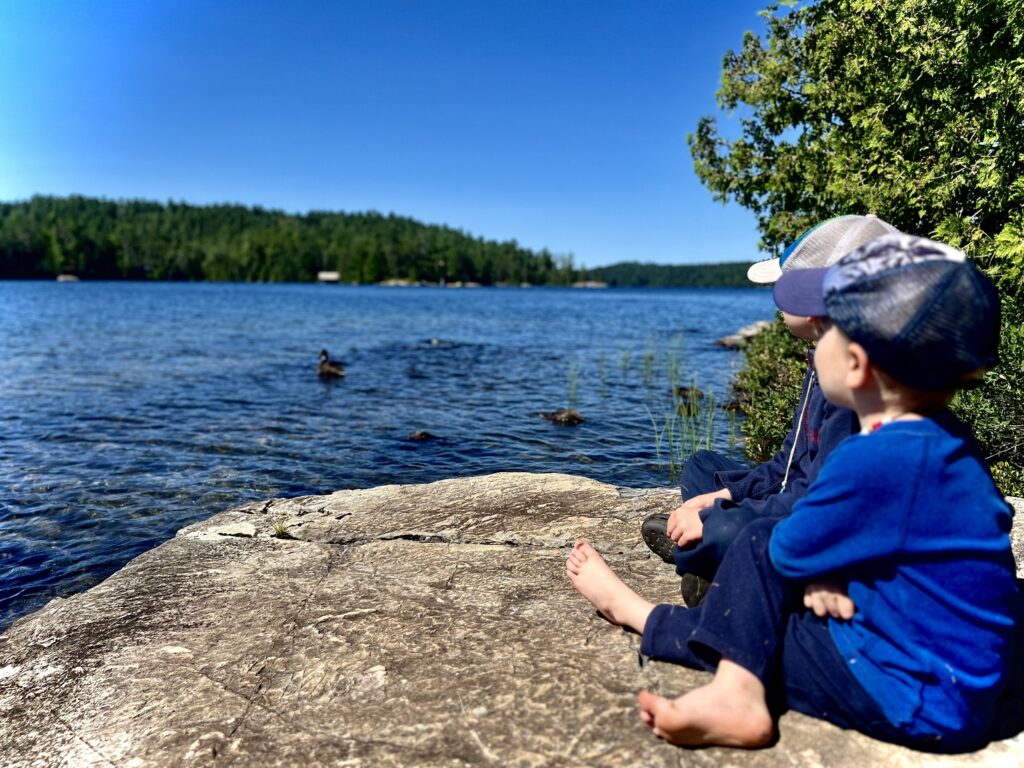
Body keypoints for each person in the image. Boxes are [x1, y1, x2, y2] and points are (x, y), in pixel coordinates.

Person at [568, 234, 1022, 749]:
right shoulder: (948, 443)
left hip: (912, 692)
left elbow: (783, 548)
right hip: (967, 674)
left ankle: (665, 638)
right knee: (761, 584)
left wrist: (809, 571)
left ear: (855, 363)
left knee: (755, 588)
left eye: (826, 331)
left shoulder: (868, 459)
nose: (813, 345)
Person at [643, 214, 897, 606]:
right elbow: (786, 465)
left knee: (727, 528)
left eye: (784, 286)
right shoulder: (823, 363)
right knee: (701, 467)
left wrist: (717, 515)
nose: (776, 296)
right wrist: (723, 495)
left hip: (819, 522)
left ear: (816, 303)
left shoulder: (854, 388)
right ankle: (710, 553)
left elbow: (818, 500)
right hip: (795, 500)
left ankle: (715, 561)